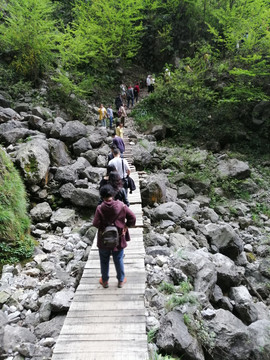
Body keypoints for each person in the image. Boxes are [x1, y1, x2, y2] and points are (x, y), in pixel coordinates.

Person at [93, 184, 136, 288]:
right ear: (112, 194)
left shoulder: (100, 208)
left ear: (102, 196)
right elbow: (133, 218)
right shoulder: (121, 206)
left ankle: (105, 281)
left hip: (104, 239)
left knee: (104, 260)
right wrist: (126, 226)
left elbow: (95, 223)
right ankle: (121, 280)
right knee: (118, 259)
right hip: (119, 238)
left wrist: (104, 227)